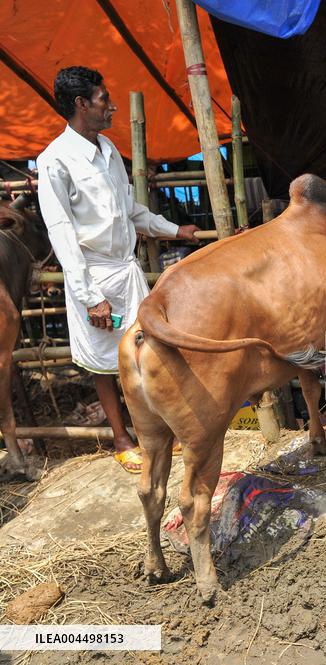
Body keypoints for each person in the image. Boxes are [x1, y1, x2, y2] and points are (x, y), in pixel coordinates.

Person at [36, 67, 198, 473]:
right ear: (81, 104)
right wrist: (91, 296)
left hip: (125, 269)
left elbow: (130, 210)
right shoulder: (55, 160)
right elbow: (62, 233)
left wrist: (174, 228)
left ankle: (154, 432)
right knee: (103, 363)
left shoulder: (108, 149)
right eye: (103, 98)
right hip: (91, 273)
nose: (111, 106)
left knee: (143, 352)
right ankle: (122, 438)